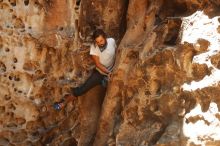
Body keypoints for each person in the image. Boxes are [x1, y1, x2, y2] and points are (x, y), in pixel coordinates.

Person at [53, 29, 117, 110]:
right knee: (82, 89)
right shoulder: (94, 47)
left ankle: (104, 82)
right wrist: (108, 72)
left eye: (101, 40)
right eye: (97, 42)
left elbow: (117, 52)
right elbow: (98, 64)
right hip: (100, 73)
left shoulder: (112, 41)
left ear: (105, 37)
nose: (100, 43)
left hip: (112, 71)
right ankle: (63, 103)